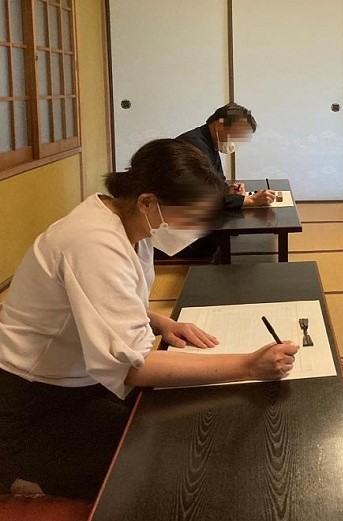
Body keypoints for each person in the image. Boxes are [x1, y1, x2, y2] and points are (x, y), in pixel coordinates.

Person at [0, 139, 298, 499]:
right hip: (32, 404)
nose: (193, 228)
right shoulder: (92, 242)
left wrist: (159, 322)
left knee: (181, 424)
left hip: (82, 381)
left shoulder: (121, 219)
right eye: (188, 217)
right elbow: (134, 368)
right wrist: (249, 365)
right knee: (158, 466)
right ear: (147, 202)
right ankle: (18, 477)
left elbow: (102, 299)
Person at [177, 102, 275, 209]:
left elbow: (215, 183)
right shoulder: (193, 146)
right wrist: (251, 200)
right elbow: (201, 197)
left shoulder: (209, 143)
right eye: (236, 134)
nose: (236, 141)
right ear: (220, 125)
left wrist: (227, 191)